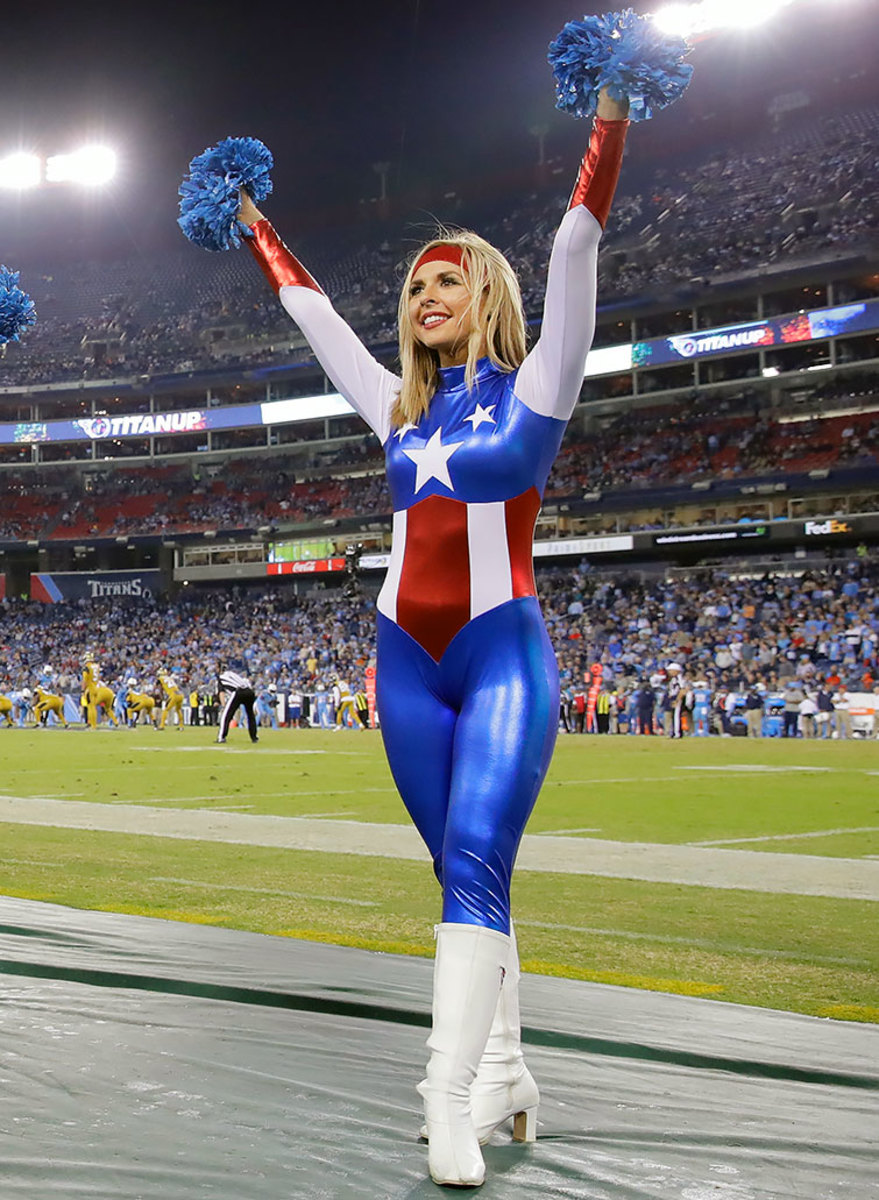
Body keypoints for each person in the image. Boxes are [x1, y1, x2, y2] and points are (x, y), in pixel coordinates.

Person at [238, 88, 629, 1188]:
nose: (425, 298)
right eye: (414, 288)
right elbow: (313, 315)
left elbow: (575, 242)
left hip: (502, 648)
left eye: (445, 280)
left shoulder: (540, 385)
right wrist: (254, 222)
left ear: (487, 292)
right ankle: (505, 1071)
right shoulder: (396, 409)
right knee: (463, 871)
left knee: (473, 861)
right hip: (403, 661)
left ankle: (446, 1099)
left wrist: (609, 116)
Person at [216, 665, 259, 744]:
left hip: (238, 692)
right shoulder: (233, 674)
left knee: (226, 716)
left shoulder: (221, 678)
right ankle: (254, 737)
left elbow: (221, 693)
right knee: (250, 715)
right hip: (249, 691)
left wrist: (223, 705)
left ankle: (221, 737)